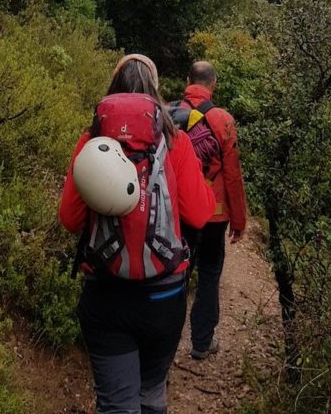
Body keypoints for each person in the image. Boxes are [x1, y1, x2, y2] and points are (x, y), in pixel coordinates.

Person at [59, 54, 215, 414]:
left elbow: (69, 218)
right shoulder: (174, 141)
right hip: (164, 298)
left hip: (106, 296)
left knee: (117, 405)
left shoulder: (91, 142)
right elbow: (200, 213)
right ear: (155, 94)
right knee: (151, 396)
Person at [179, 60, 247, 360]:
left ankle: (163, 347)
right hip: (213, 214)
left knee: (176, 274)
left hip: (179, 211)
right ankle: (202, 342)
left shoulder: (170, 113)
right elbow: (232, 174)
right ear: (214, 84)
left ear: (188, 80)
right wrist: (239, 219)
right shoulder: (223, 119)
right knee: (208, 273)